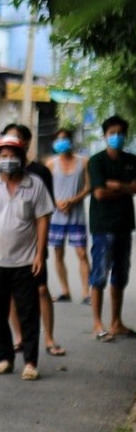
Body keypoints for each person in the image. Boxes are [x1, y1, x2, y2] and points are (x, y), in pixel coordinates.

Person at [0, 137, 53, 378]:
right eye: (3, 156)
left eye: (12, 155)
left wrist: (40, 253)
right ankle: (5, 358)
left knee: (28, 312)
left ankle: (30, 362)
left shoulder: (35, 185)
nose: (8, 160)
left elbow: (42, 220)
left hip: (26, 261)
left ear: (22, 158)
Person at [0, 124, 61, 357]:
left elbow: (46, 211)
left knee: (42, 289)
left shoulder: (39, 172)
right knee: (11, 294)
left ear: (25, 144)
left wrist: (40, 247)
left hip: (34, 243)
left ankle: (49, 338)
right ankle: (19, 337)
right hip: (7, 247)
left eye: (16, 140)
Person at [88, 115, 136, 341]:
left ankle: (116, 322)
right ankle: (98, 323)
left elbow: (135, 188)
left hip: (124, 225)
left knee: (121, 275)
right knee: (99, 274)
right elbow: (98, 193)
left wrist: (114, 185)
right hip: (103, 226)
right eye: (112, 133)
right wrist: (125, 188)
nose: (116, 136)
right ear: (105, 135)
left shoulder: (131, 160)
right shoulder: (96, 161)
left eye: (119, 133)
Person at [48, 128, 92, 307]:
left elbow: (88, 186)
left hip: (76, 214)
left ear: (71, 142)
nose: (62, 142)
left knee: (81, 252)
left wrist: (73, 201)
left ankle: (86, 292)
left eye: (65, 139)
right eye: (58, 139)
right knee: (58, 252)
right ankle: (65, 290)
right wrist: (56, 202)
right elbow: (46, 188)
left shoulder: (83, 162)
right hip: (57, 215)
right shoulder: (51, 164)